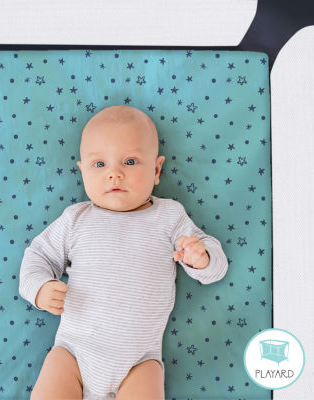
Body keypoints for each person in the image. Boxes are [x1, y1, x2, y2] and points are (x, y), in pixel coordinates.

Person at [19, 105, 228, 400]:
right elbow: (38, 255)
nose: (114, 174)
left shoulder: (169, 217)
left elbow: (216, 268)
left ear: (156, 170)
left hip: (139, 363)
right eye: (99, 164)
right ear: (82, 171)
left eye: (130, 161)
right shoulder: (75, 219)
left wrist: (201, 257)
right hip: (73, 354)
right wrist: (39, 289)